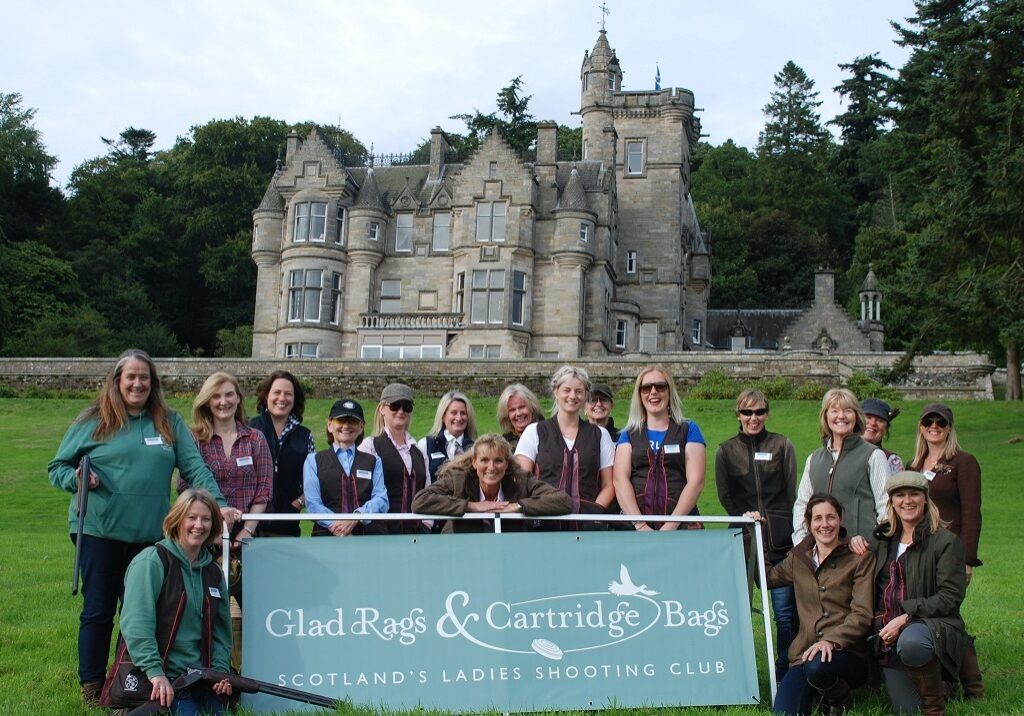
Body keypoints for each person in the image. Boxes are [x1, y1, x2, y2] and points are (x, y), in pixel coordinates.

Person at [48, 349, 237, 708]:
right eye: (130, 377)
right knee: (100, 608)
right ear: (117, 381)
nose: (137, 383)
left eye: (144, 377)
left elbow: (194, 468)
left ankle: (131, 678)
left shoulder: (168, 421)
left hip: (151, 537)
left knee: (145, 611)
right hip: (99, 530)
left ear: (153, 383)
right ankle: (91, 684)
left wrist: (217, 502)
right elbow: (56, 466)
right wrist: (76, 478)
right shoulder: (93, 420)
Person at [747, 494, 874, 716]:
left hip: (848, 654)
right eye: (818, 519)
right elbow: (766, 579)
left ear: (840, 520)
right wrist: (755, 533)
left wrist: (831, 641)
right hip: (803, 656)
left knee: (818, 666)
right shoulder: (798, 560)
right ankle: (820, 694)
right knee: (785, 713)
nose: (825, 524)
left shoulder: (859, 558)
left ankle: (839, 698)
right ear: (809, 524)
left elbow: (862, 614)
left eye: (831, 517)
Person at [117, 489, 233, 714]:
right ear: (177, 519)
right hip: (158, 674)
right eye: (192, 517)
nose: (199, 525)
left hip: (199, 676)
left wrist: (219, 673)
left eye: (206, 519)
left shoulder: (214, 572)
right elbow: (136, 625)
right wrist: (155, 672)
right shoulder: (152, 561)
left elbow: (221, 631)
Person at [715, 388, 798, 680]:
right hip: (742, 540)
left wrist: (782, 525)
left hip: (780, 542)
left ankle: (785, 671)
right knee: (736, 612)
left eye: (759, 411)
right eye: (747, 412)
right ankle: (738, 674)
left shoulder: (782, 445)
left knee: (785, 615)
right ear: (738, 414)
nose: (753, 418)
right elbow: (725, 496)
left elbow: (791, 494)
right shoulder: (726, 451)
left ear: (767, 413)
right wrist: (743, 515)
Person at [872, 471, 969, 716]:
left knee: (913, 642)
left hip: (929, 626)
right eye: (900, 495)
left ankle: (935, 705)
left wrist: (905, 617)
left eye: (914, 494)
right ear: (891, 502)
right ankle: (942, 682)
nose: (908, 500)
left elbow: (950, 597)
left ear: (925, 499)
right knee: (906, 710)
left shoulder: (945, 541)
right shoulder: (883, 541)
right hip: (887, 633)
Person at [908, 403, 984, 699]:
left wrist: (967, 559)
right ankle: (943, 677)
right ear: (921, 426)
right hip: (919, 553)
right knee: (929, 615)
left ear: (950, 427)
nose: (935, 426)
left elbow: (972, 512)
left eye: (941, 421)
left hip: (950, 552)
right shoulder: (913, 466)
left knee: (948, 612)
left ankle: (970, 684)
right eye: (929, 421)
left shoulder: (963, 462)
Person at [515, 365, 616, 528]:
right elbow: (521, 481)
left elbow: (608, 485)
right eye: (566, 390)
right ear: (556, 392)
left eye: (578, 391)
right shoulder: (534, 431)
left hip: (586, 527)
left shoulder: (600, 435)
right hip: (543, 525)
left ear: (585, 396)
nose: (572, 396)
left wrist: (593, 514)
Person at [182, 371, 272, 551]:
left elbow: (264, 489)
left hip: (247, 533)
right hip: (204, 532)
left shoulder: (256, 439)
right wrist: (210, 528)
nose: (223, 402)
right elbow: (185, 487)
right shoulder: (194, 440)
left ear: (238, 398)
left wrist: (247, 531)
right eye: (216, 396)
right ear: (207, 401)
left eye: (229, 394)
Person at [412, 433, 574, 532]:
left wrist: (518, 507)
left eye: (498, 461)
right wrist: (471, 506)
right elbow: (420, 501)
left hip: (509, 553)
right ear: (474, 462)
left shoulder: (520, 479)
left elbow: (563, 501)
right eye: (484, 460)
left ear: (507, 464)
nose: (491, 467)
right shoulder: (458, 478)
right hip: (461, 551)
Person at [792, 388, 889, 551]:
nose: (841, 416)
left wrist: (874, 544)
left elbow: (886, 506)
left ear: (856, 416)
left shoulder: (873, 456)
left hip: (860, 555)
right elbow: (802, 503)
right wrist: (802, 542)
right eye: (834, 411)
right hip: (821, 555)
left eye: (848, 411)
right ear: (826, 416)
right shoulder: (814, 459)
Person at [613, 364, 706, 531]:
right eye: (646, 388)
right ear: (639, 394)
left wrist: (672, 524)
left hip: (681, 527)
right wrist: (640, 524)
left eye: (660, 386)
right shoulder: (629, 434)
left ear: (669, 392)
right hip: (635, 530)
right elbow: (620, 480)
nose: (653, 392)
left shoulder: (689, 429)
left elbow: (696, 481)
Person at [305, 399, 388, 536]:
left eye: (353, 421)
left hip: (368, 538)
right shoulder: (313, 460)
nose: (346, 425)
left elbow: (381, 499)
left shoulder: (374, 461)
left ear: (361, 427)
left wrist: (356, 517)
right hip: (327, 538)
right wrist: (337, 525)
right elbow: (312, 503)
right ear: (330, 425)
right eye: (341, 420)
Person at [249, 370, 316, 537]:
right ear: (266, 396)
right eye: (277, 392)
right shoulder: (249, 429)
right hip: (248, 527)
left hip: (288, 527)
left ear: (295, 399)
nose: (282, 398)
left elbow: (314, 479)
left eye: (288, 394)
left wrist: (299, 502)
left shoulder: (305, 436)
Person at [359, 383, 427, 534]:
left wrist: (427, 524)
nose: (401, 411)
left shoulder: (419, 450)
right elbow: (361, 492)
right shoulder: (370, 446)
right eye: (395, 406)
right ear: (382, 409)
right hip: (381, 533)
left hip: (417, 535)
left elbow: (427, 490)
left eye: (407, 406)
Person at [416, 391, 478, 486]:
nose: (459, 417)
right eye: (453, 412)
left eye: (463, 413)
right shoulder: (425, 444)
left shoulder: (476, 448)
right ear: (443, 416)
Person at [861, 398, 904, 474]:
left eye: (880, 420)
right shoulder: (842, 453)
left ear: (886, 428)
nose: (873, 423)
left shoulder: (891, 461)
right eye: (868, 417)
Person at [496, 383, 544, 451]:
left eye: (522, 407)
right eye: (512, 410)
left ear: (532, 408)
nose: (518, 413)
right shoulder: (503, 445)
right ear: (507, 416)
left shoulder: (548, 435)